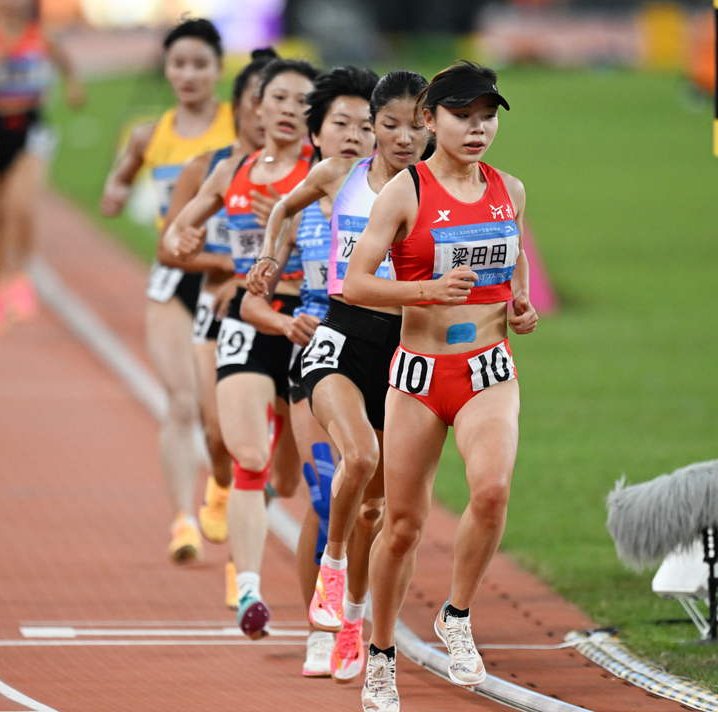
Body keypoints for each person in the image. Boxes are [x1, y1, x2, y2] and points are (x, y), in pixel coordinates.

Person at [340, 61, 537, 712]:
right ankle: (382, 655)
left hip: (486, 369)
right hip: (419, 375)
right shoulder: (405, 192)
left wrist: (521, 305)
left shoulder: (510, 190)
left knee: (493, 492)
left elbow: (513, 270)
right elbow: (356, 284)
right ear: (432, 121)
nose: (478, 128)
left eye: (488, 117)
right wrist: (424, 291)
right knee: (401, 526)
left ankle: (456, 615)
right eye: (463, 115)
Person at [249, 68, 431, 683]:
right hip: (330, 335)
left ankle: (352, 619)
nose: (363, 136)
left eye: (411, 125)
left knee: (373, 513)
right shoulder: (334, 177)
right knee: (335, 483)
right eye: (351, 124)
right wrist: (269, 258)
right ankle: (320, 610)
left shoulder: (429, 189)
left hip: (399, 349)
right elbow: (281, 209)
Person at [165, 58, 321, 639]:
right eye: (275, 97)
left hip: (309, 323)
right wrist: (184, 232)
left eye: (300, 101)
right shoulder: (231, 169)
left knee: (288, 480)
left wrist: (292, 219)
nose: (285, 109)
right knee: (249, 458)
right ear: (256, 107)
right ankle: (249, 588)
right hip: (250, 320)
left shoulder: (326, 176)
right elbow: (180, 230)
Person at [100, 19, 233, 562]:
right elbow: (123, 173)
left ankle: (222, 487)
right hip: (173, 275)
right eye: (178, 64)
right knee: (180, 402)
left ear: (218, 70)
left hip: (229, 275)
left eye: (199, 64)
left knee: (216, 412)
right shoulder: (149, 133)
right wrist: (114, 188)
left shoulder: (236, 126)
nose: (188, 74)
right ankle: (183, 519)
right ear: (167, 69)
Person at [154, 47, 277, 602]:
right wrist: (227, 264)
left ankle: (240, 570)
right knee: (215, 434)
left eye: (283, 102)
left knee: (264, 453)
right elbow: (170, 248)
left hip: (283, 314)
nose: (269, 114)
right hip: (216, 309)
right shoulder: (211, 169)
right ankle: (219, 485)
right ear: (241, 109)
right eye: (259, 102)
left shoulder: (309, 173)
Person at [0, 0, 84, 333]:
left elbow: (65, 63)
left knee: (21, 205)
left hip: (29, 128)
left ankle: (19, 276)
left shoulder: (41, 36)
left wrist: (73, 87)